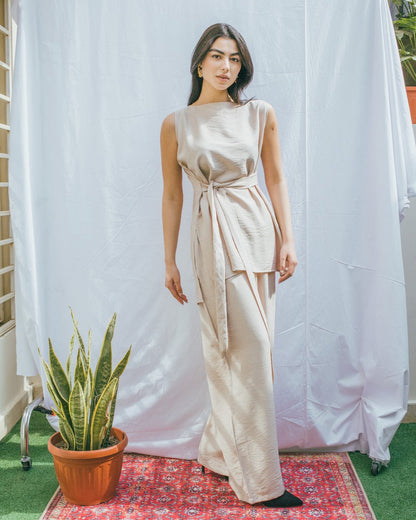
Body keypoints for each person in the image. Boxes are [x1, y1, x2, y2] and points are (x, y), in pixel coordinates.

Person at [160, 22, 302, 508]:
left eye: (235, 59)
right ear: (200, 63)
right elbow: (173, 195)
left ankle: (217, 452)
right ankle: (261, 483)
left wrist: (288, 239)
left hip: (257, 233)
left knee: (254, 352)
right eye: (218, 56)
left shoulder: (259, 113)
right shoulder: (176, 124)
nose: (226, 66)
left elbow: (276, 178)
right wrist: (169, 260)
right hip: (211, 239)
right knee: (243, 349)